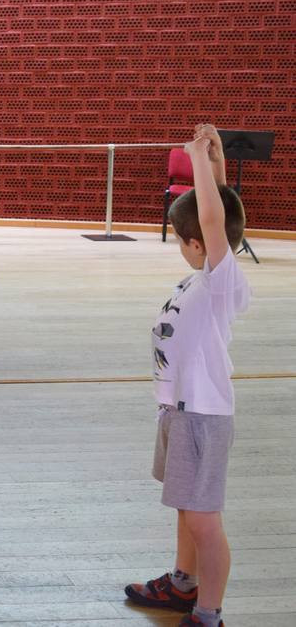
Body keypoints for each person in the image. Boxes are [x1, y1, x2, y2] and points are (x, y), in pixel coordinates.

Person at [125, 124, 249, 627]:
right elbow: (220, 214)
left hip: (202, 417)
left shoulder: (223, 284)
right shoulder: (202, 276)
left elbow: (217, 220)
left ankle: (209, 611)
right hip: (179, 412)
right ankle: (182, 583)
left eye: (181, 237)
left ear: (197, 242)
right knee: (185, 508)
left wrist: (196, 157)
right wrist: (216, 162)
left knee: (203, 520)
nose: (180, 244)